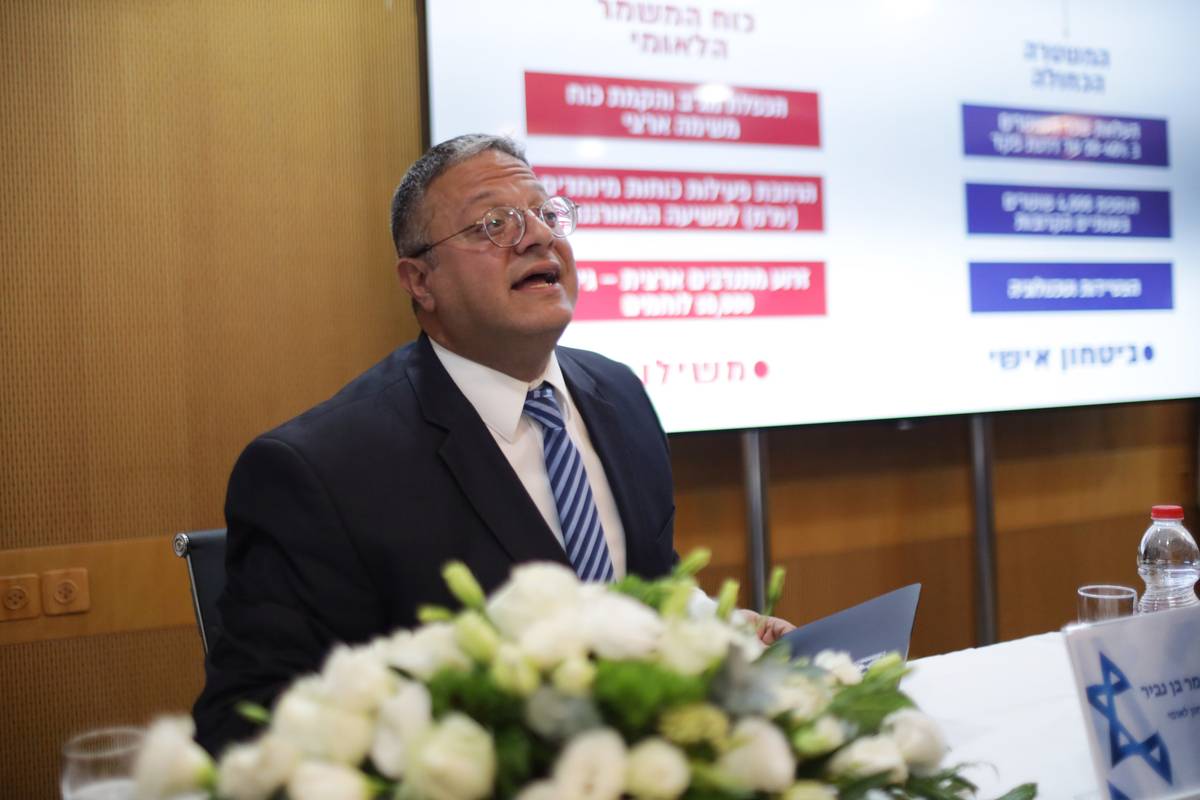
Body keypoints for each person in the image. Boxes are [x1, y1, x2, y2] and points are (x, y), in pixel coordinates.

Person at [192, 134, 793, 756]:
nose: (538, 236)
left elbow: (643, 585)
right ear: (419, 280)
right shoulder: (321, 469)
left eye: (546, 213)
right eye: (492, 224)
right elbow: (248, 726)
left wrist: (717, 631)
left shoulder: (620, 397)